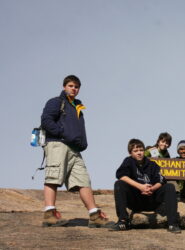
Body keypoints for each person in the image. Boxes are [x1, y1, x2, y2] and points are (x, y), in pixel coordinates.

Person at [40, 75, 111, 228]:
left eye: (77, 87)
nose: (74, 89)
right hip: (58, 145)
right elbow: (46, 121)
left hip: (75, 149)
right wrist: (62, 133)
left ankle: (94, 215)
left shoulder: (77, 106)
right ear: (64, 86)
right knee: (54, 176)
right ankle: (50, 215)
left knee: (84, 180)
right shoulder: (56, 102)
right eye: (71, 85)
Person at [112, 138, 181, 233]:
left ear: (144, 151)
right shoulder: (128, 161)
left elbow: (161, 180)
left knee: (169, 186)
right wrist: (140, 186)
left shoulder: (152, 164)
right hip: (135, 201)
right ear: (130, 153)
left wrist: (152, 189)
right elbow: (121, 175)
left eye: (141, 150)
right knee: (119, 184)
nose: (139, 153)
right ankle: (123, 221)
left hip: (151, 199)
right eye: (135, 151)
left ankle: (172, 224)